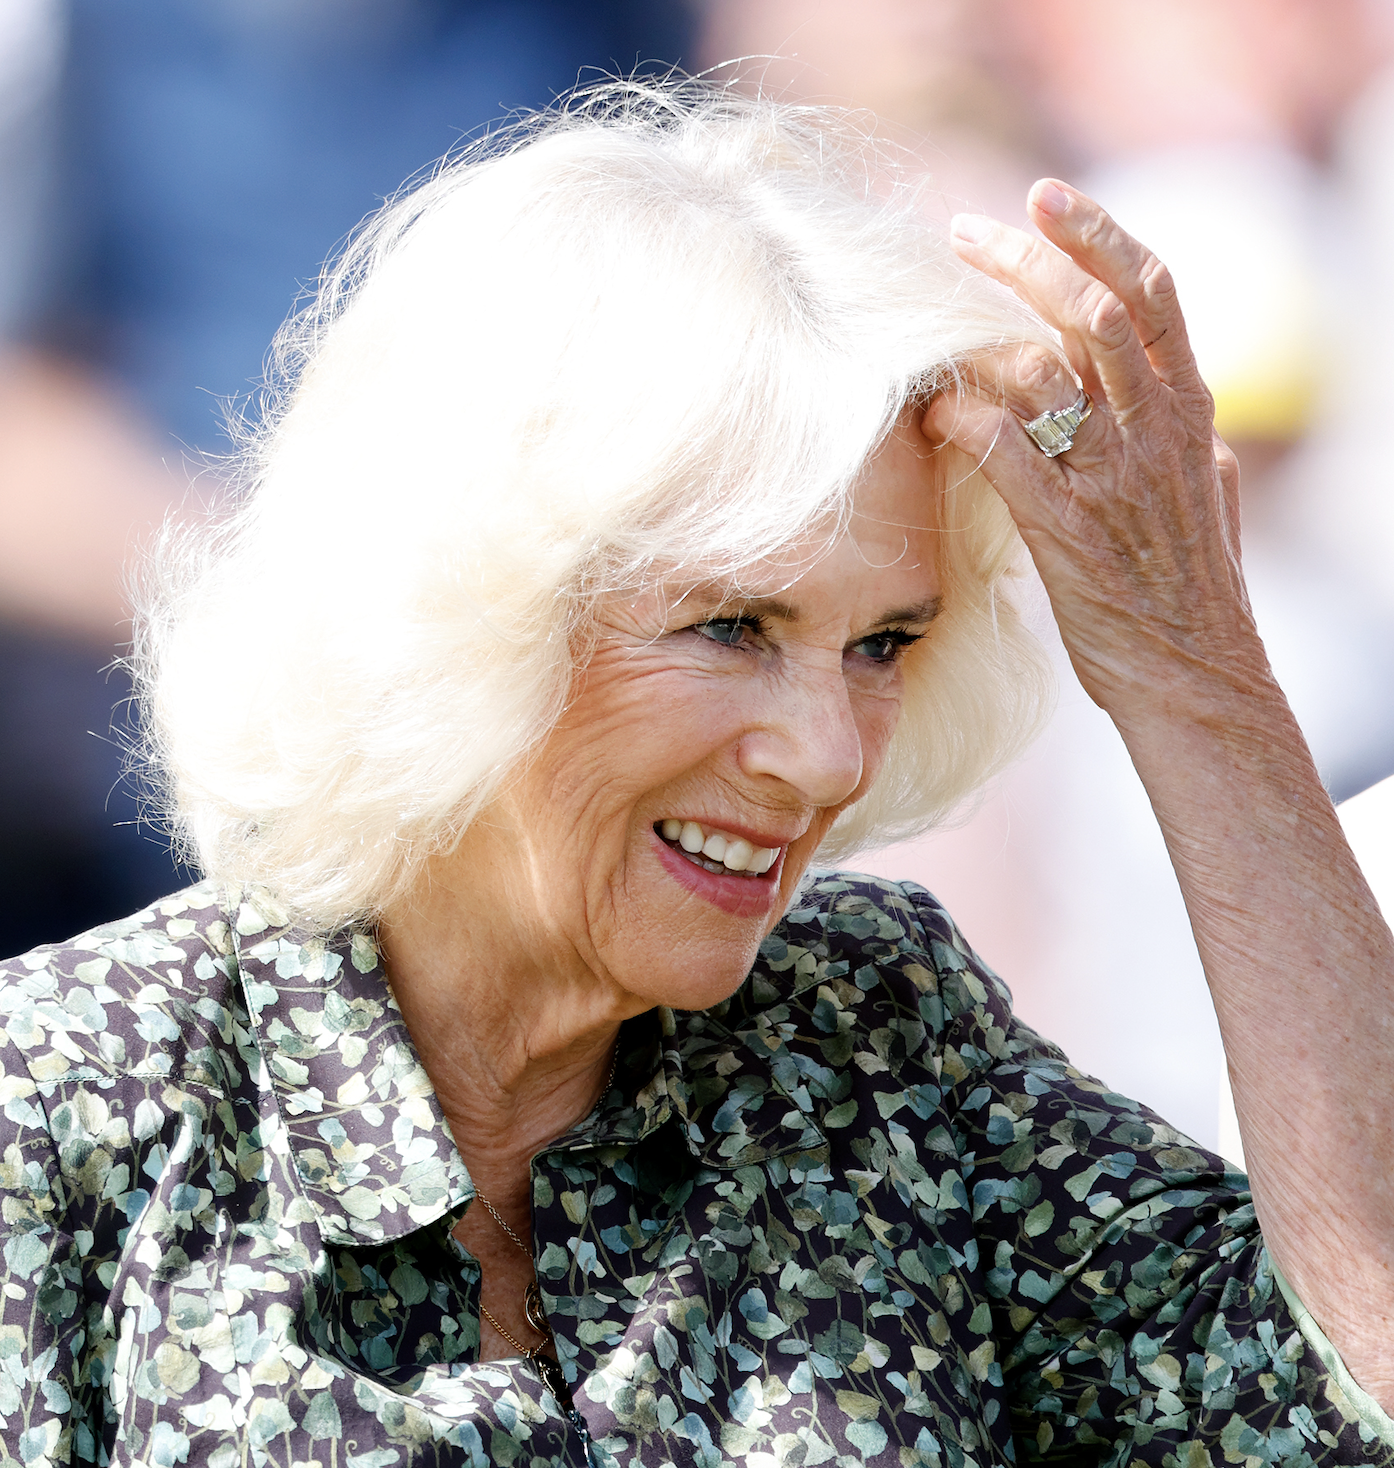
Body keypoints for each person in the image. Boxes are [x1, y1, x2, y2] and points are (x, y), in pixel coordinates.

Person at [2, 79, 1391, 1467]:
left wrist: (1193, 674)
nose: (826, 754)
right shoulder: (63, 1110)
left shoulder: (871, 1049)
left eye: (883, 643)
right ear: (461, 610)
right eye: (732, 627)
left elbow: (1354, 1392)